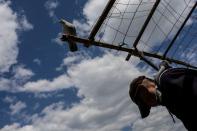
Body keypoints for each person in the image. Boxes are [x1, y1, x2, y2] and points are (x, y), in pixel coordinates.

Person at [129, 61, 197, 131]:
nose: (151, 105)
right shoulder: (168, 99)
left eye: (146, 101)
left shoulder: (167, 79)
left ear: (143, 90)